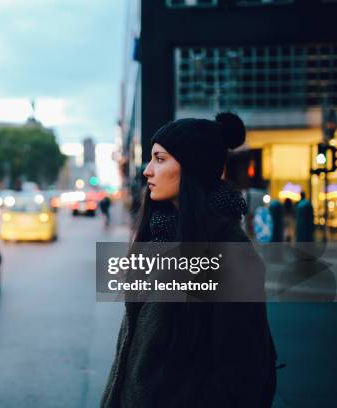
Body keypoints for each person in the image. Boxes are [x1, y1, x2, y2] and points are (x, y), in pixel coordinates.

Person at [101, 112, 277, 408]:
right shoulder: (159, 239)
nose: (147, 171)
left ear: (192, 168)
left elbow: (243, 374)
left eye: (160, 159)